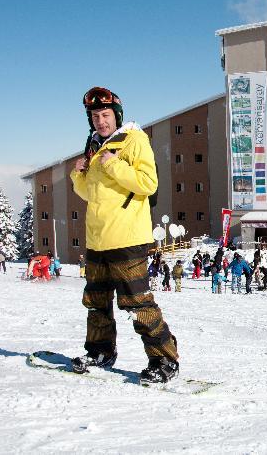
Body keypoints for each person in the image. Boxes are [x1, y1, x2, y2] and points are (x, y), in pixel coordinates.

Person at [69, 86, 179, 383]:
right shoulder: (93, 146)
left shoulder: (134, 140)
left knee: (137, 302)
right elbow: (90, 193)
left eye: (105, 115)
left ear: (116, 115)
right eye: (95, 116)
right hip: (98, 238)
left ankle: (164, 360)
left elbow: (148, 183)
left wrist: (114, 164)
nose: (101, 121)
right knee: (96, 301)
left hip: (128, 238)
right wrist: (78, 174)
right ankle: (100, 351)